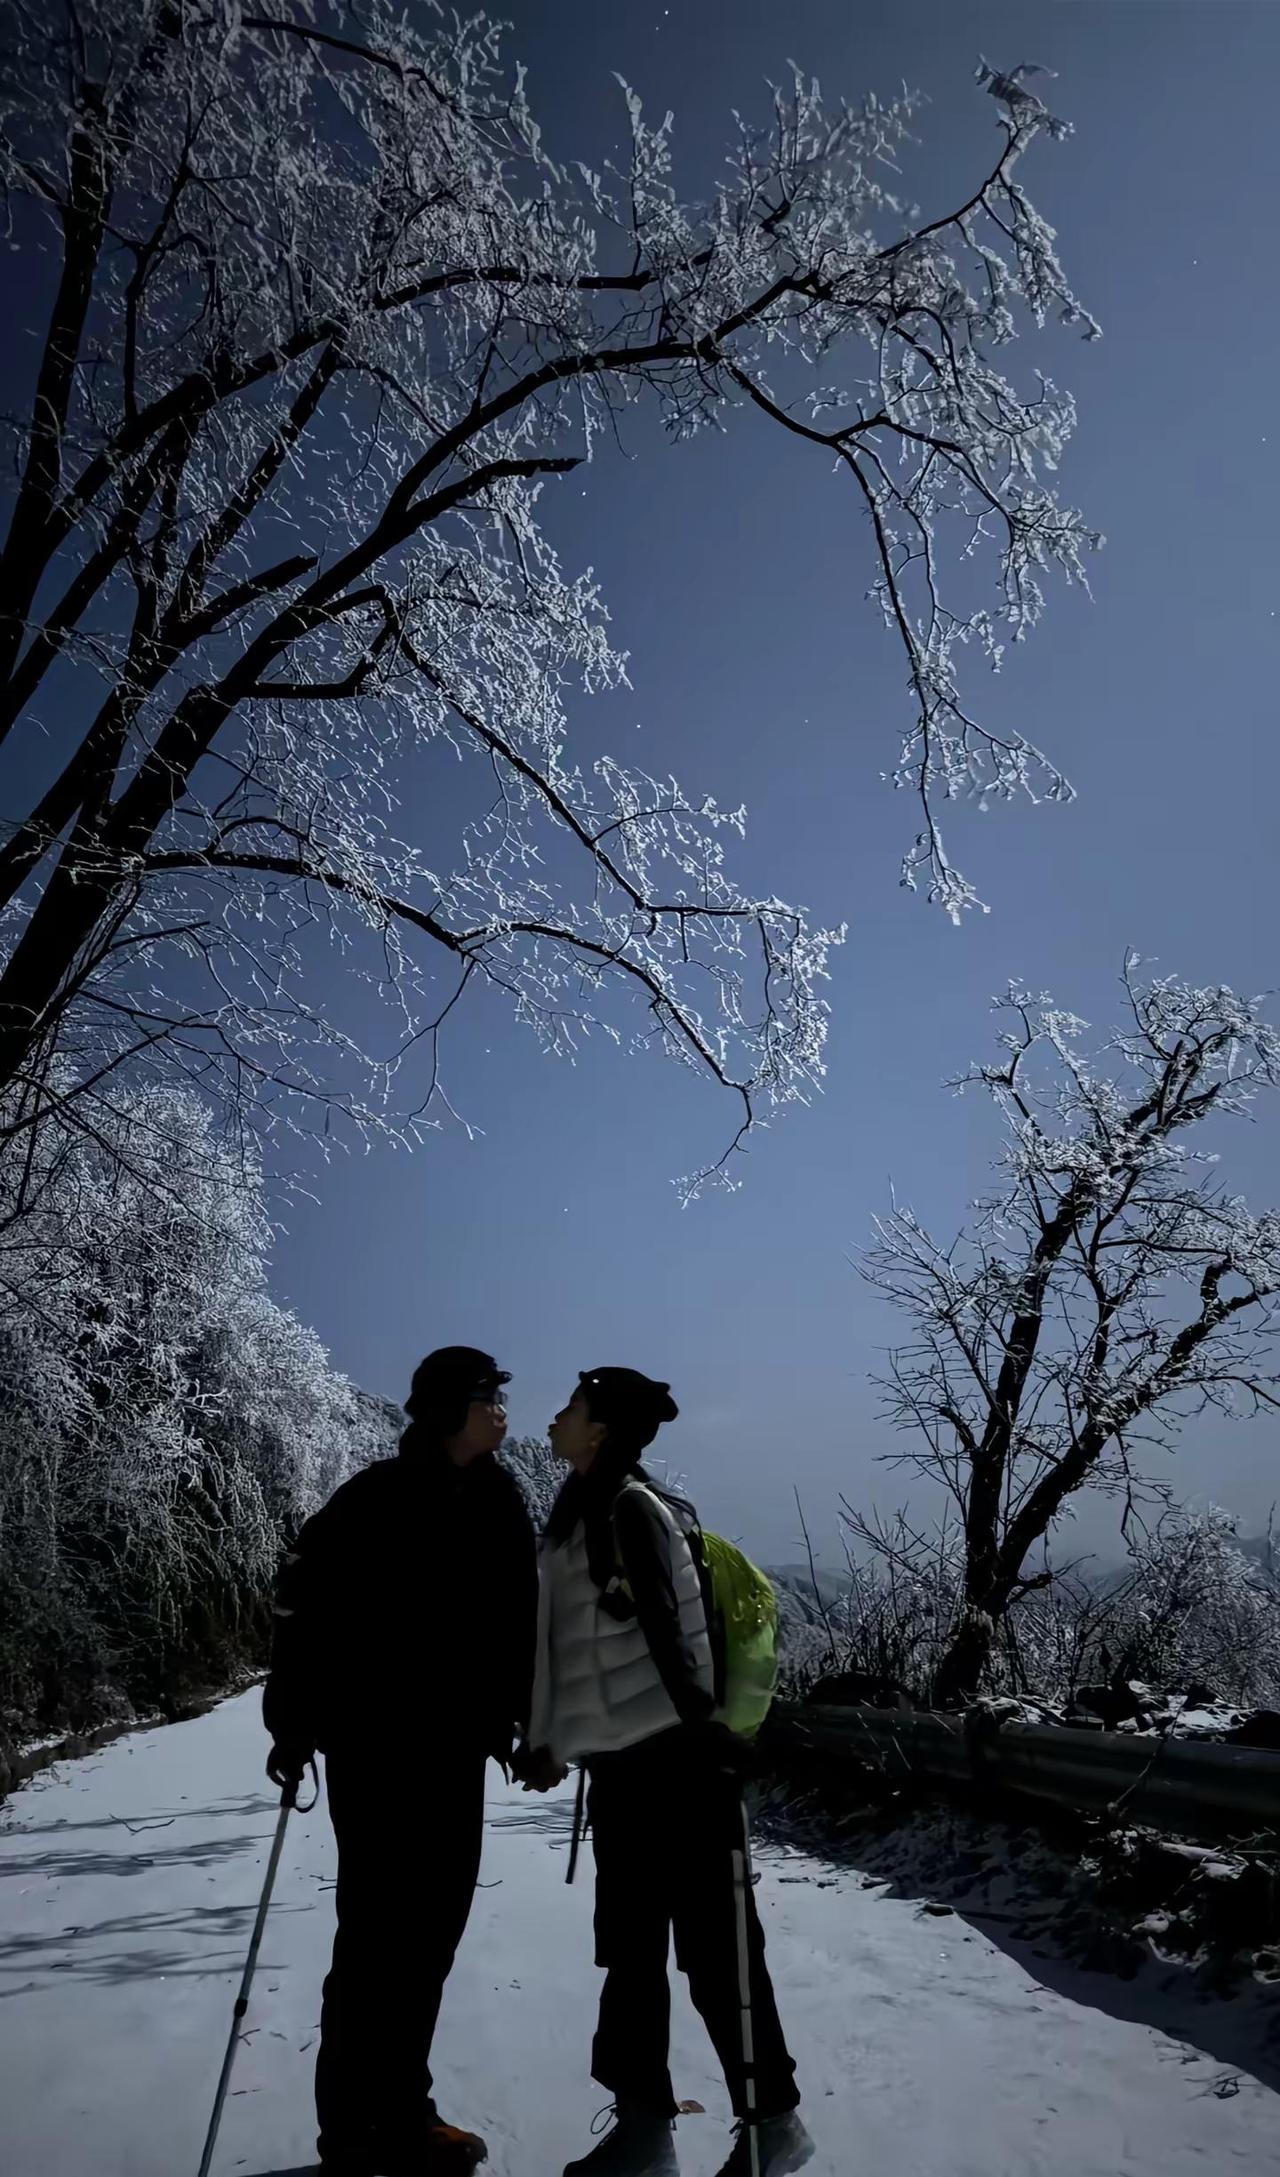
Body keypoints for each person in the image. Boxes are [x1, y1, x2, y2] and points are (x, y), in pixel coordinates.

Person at [518, 1369, 813, 2177]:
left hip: (679, 1770)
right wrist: (548, 1740)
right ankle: (644, 2131)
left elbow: (668, 1628)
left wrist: (708, 1734)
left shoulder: (631, 1508)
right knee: (631, 1955)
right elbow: (575, 1646)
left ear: (601, 1429)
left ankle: (773, 2127)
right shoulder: (584, 1510)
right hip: (626, 1771)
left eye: (571, 1407)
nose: (555, 1417)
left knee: (719, 1957)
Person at [264, 1346, 538, 2177]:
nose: (501, 1409)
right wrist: (292, 1724)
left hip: (454, 1756)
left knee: (429, 1943)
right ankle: (350, 2132)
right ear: (451, 1409)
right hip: (376, 1755)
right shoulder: (373, 1497)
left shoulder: (500, 1500)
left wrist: (529, 1723)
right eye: (488, 1396)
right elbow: (301, 1609)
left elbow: (517, 1623)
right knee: (375, 1941)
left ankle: (403, 2114)